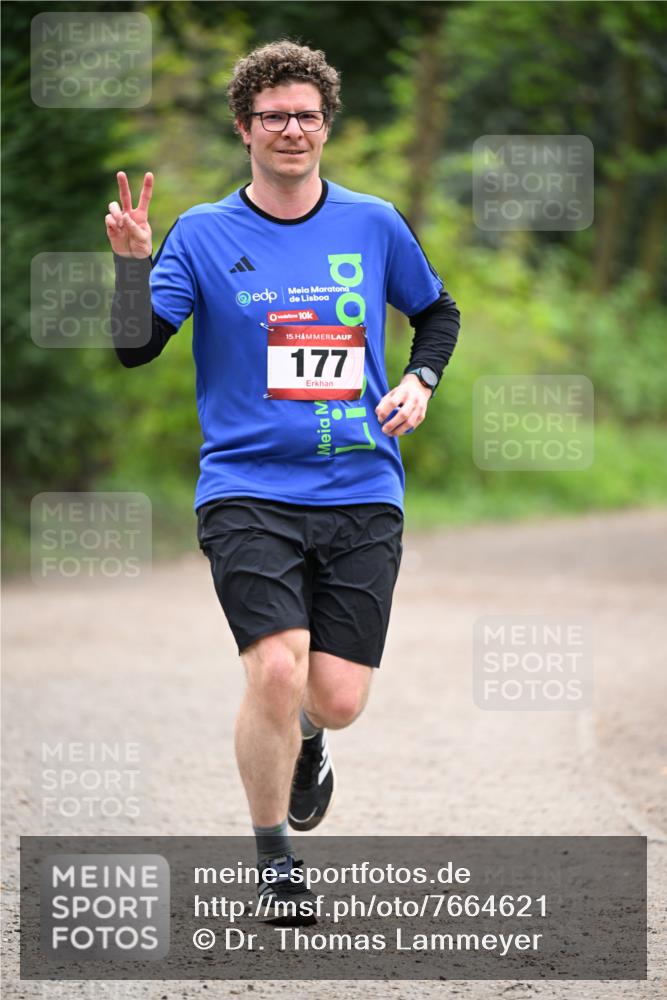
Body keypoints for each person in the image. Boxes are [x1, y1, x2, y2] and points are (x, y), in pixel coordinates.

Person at [107, 40, 460, 923]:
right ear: (244, 129)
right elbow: (133, 346)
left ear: (326, 125)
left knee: (333, 699)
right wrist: (130, 267)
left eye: (306, 115)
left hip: (360, 487)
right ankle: (274, 862)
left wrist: (419, 380)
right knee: (273, 668)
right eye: (273, 117)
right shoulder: (203, 233)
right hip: (247, 488)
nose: (291, 129)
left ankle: (310, 744)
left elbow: (436, 312)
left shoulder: (374, 222)